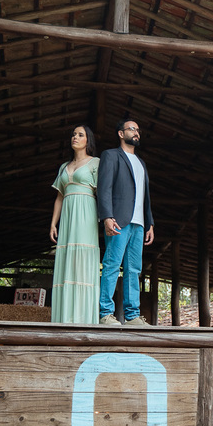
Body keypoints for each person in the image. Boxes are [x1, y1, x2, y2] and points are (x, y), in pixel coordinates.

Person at [97, 119, 154, 326]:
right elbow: (104, 188)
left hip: (139, 224)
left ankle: (132, 316)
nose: (136, 133)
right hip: (118, 220)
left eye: (138, 130)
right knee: (112, 265)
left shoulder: (141, 162)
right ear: (121, 134)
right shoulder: (111, 156)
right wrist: (107, 217)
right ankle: (105, 313)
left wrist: (150, 223)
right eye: (132, 129)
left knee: (134, 269)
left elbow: (145, 196)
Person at [49, 125, 101, 324]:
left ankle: (84, 319)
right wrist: (54, 223)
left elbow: (102, 193)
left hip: (86, 213)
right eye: (73, 134)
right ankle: (64, 319)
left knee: (82, 258)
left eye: (80, 135)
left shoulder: (96, 163)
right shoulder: (64, 166)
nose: (75, 137)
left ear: (89, 140)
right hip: (67, 216)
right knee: (67, 258)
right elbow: (59, 197)